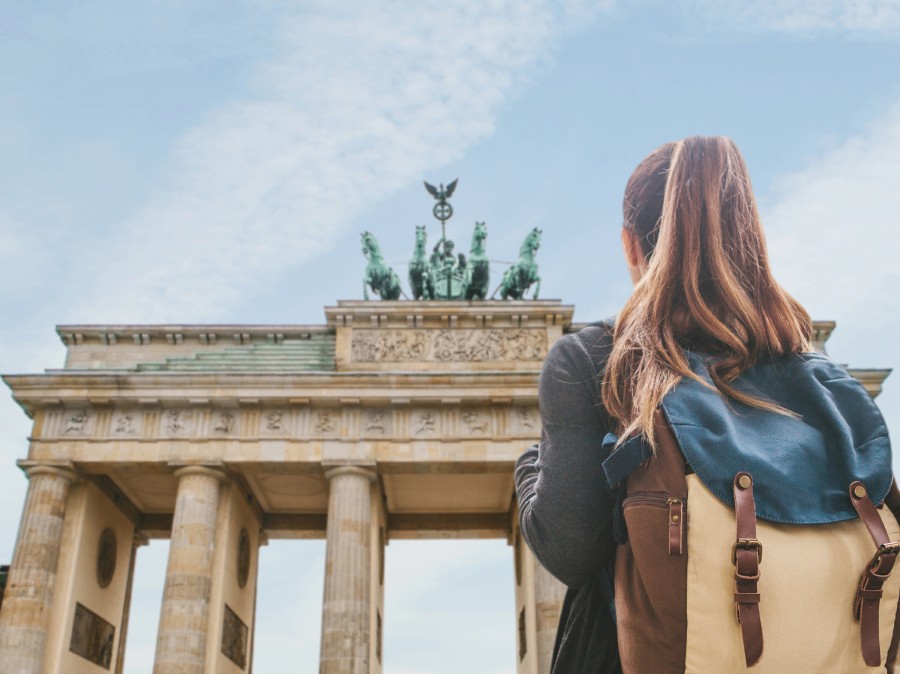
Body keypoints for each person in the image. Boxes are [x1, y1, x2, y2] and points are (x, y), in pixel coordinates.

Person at [514, 136, 897, 672]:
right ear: (746, 235)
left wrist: (530, 467)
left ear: (630, 246)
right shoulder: (821, 380)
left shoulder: (597, 361)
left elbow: (570, 549)